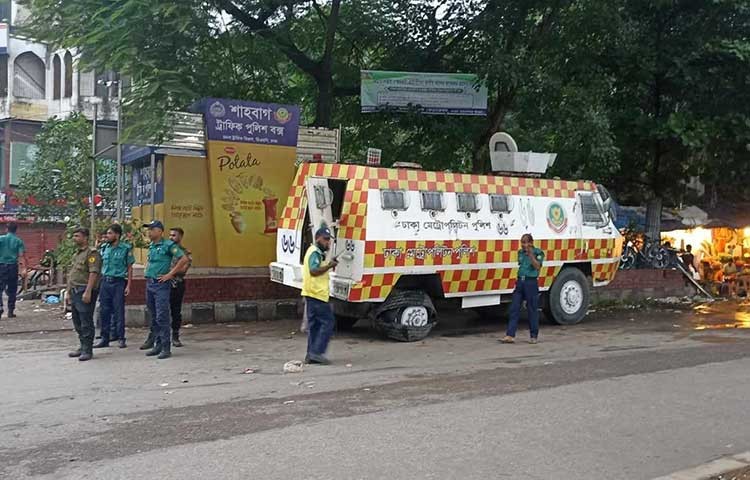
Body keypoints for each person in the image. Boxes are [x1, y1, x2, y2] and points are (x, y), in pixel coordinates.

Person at [139, 220, 188, 360]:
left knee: (162, 316)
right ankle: (158, 345)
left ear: (160, 231)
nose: (149, 232)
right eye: (148, 230)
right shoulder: (152, 246)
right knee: (154, 316)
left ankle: (166, 347)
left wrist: (170, 274)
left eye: (152, 229)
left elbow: (183, 259)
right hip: (150, 283)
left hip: (161, 285)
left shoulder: (168, 245)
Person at [93, 224, 134, 349]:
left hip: (118, 282)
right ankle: (105, 338)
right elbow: (97, 263)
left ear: (117, 235)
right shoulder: (104, 248)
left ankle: (121, 337)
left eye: (110, 233)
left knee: (118, 311)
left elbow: (129, 267)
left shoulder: (125, 248)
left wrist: (129, 285)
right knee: (104, 310)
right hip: (105, 282)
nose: (107, 236)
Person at [301, 227, 338, 365]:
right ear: (318, 238)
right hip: (317, 295)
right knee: (328, 322)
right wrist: (329, 266)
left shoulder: (316, 253)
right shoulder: (315, 253)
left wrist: (328, 264)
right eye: (326, 239)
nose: (328, 243)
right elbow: (314, 271)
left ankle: (311, 354)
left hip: (312, 294)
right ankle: (316, 353)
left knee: (315, 326)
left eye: (329, 240)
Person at [501, 233, 545, 344]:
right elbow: (521, 264)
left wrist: (531, 255)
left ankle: (533, 336)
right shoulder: (520, 253)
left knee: (532, 309)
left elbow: (537, 266)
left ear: (531, 243)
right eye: (522, 242)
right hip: (520, 281)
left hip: (531, 282)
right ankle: (510, 335)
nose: (524, 245)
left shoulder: (538, 252)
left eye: (526, 242)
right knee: (514, 307)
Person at [66, 227, 102, 361]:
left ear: (85, 238)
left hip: (84, 290)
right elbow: (72, 274)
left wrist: (88, 291)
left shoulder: (92, 253)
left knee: (86, 321)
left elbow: (94, 273)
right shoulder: (77, 254)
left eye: (77, 236)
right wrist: (68, 292)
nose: (75, 238)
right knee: (77, 321)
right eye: (74, 236)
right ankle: (82, 346)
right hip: (75, 290)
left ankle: (88, 349)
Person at [168, 227, 192, 347]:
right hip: (164, 285)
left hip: (177, 284)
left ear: (180, 237)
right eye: (170, 235)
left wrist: (169, 273)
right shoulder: (166, 250)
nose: (171, 237)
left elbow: (183, 270)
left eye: (174, 235)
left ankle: (175, 336)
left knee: (176, 311)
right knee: (162, 311)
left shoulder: (185, 252)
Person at [0, 222, 27, 319]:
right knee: (12, 289)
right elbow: (21, 256)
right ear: (16, 230)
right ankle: (10, 311)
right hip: (12, 267)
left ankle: (0, 307)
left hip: (1, 266)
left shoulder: (1, 239)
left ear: (7, 229)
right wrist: (23, 269)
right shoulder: (18, 241)